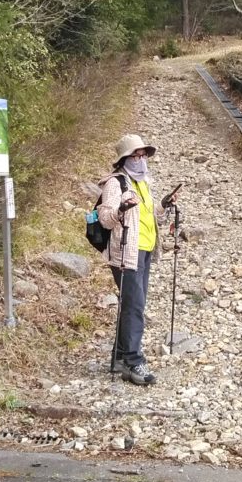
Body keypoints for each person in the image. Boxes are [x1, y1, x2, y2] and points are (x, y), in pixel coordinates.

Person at [97, 134, 177, 386]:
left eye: (143, 155)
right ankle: (133, 361)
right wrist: (121, 209)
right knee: (135, 306)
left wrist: (163, 205)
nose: (141, 159)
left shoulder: (142, 182)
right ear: (124, 159)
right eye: (135, 155)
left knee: (132, 304)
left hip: (144, 249)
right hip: (126, 253)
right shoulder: (115, 183)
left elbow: (151, 216)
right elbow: (105, 219)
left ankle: (120, 357)